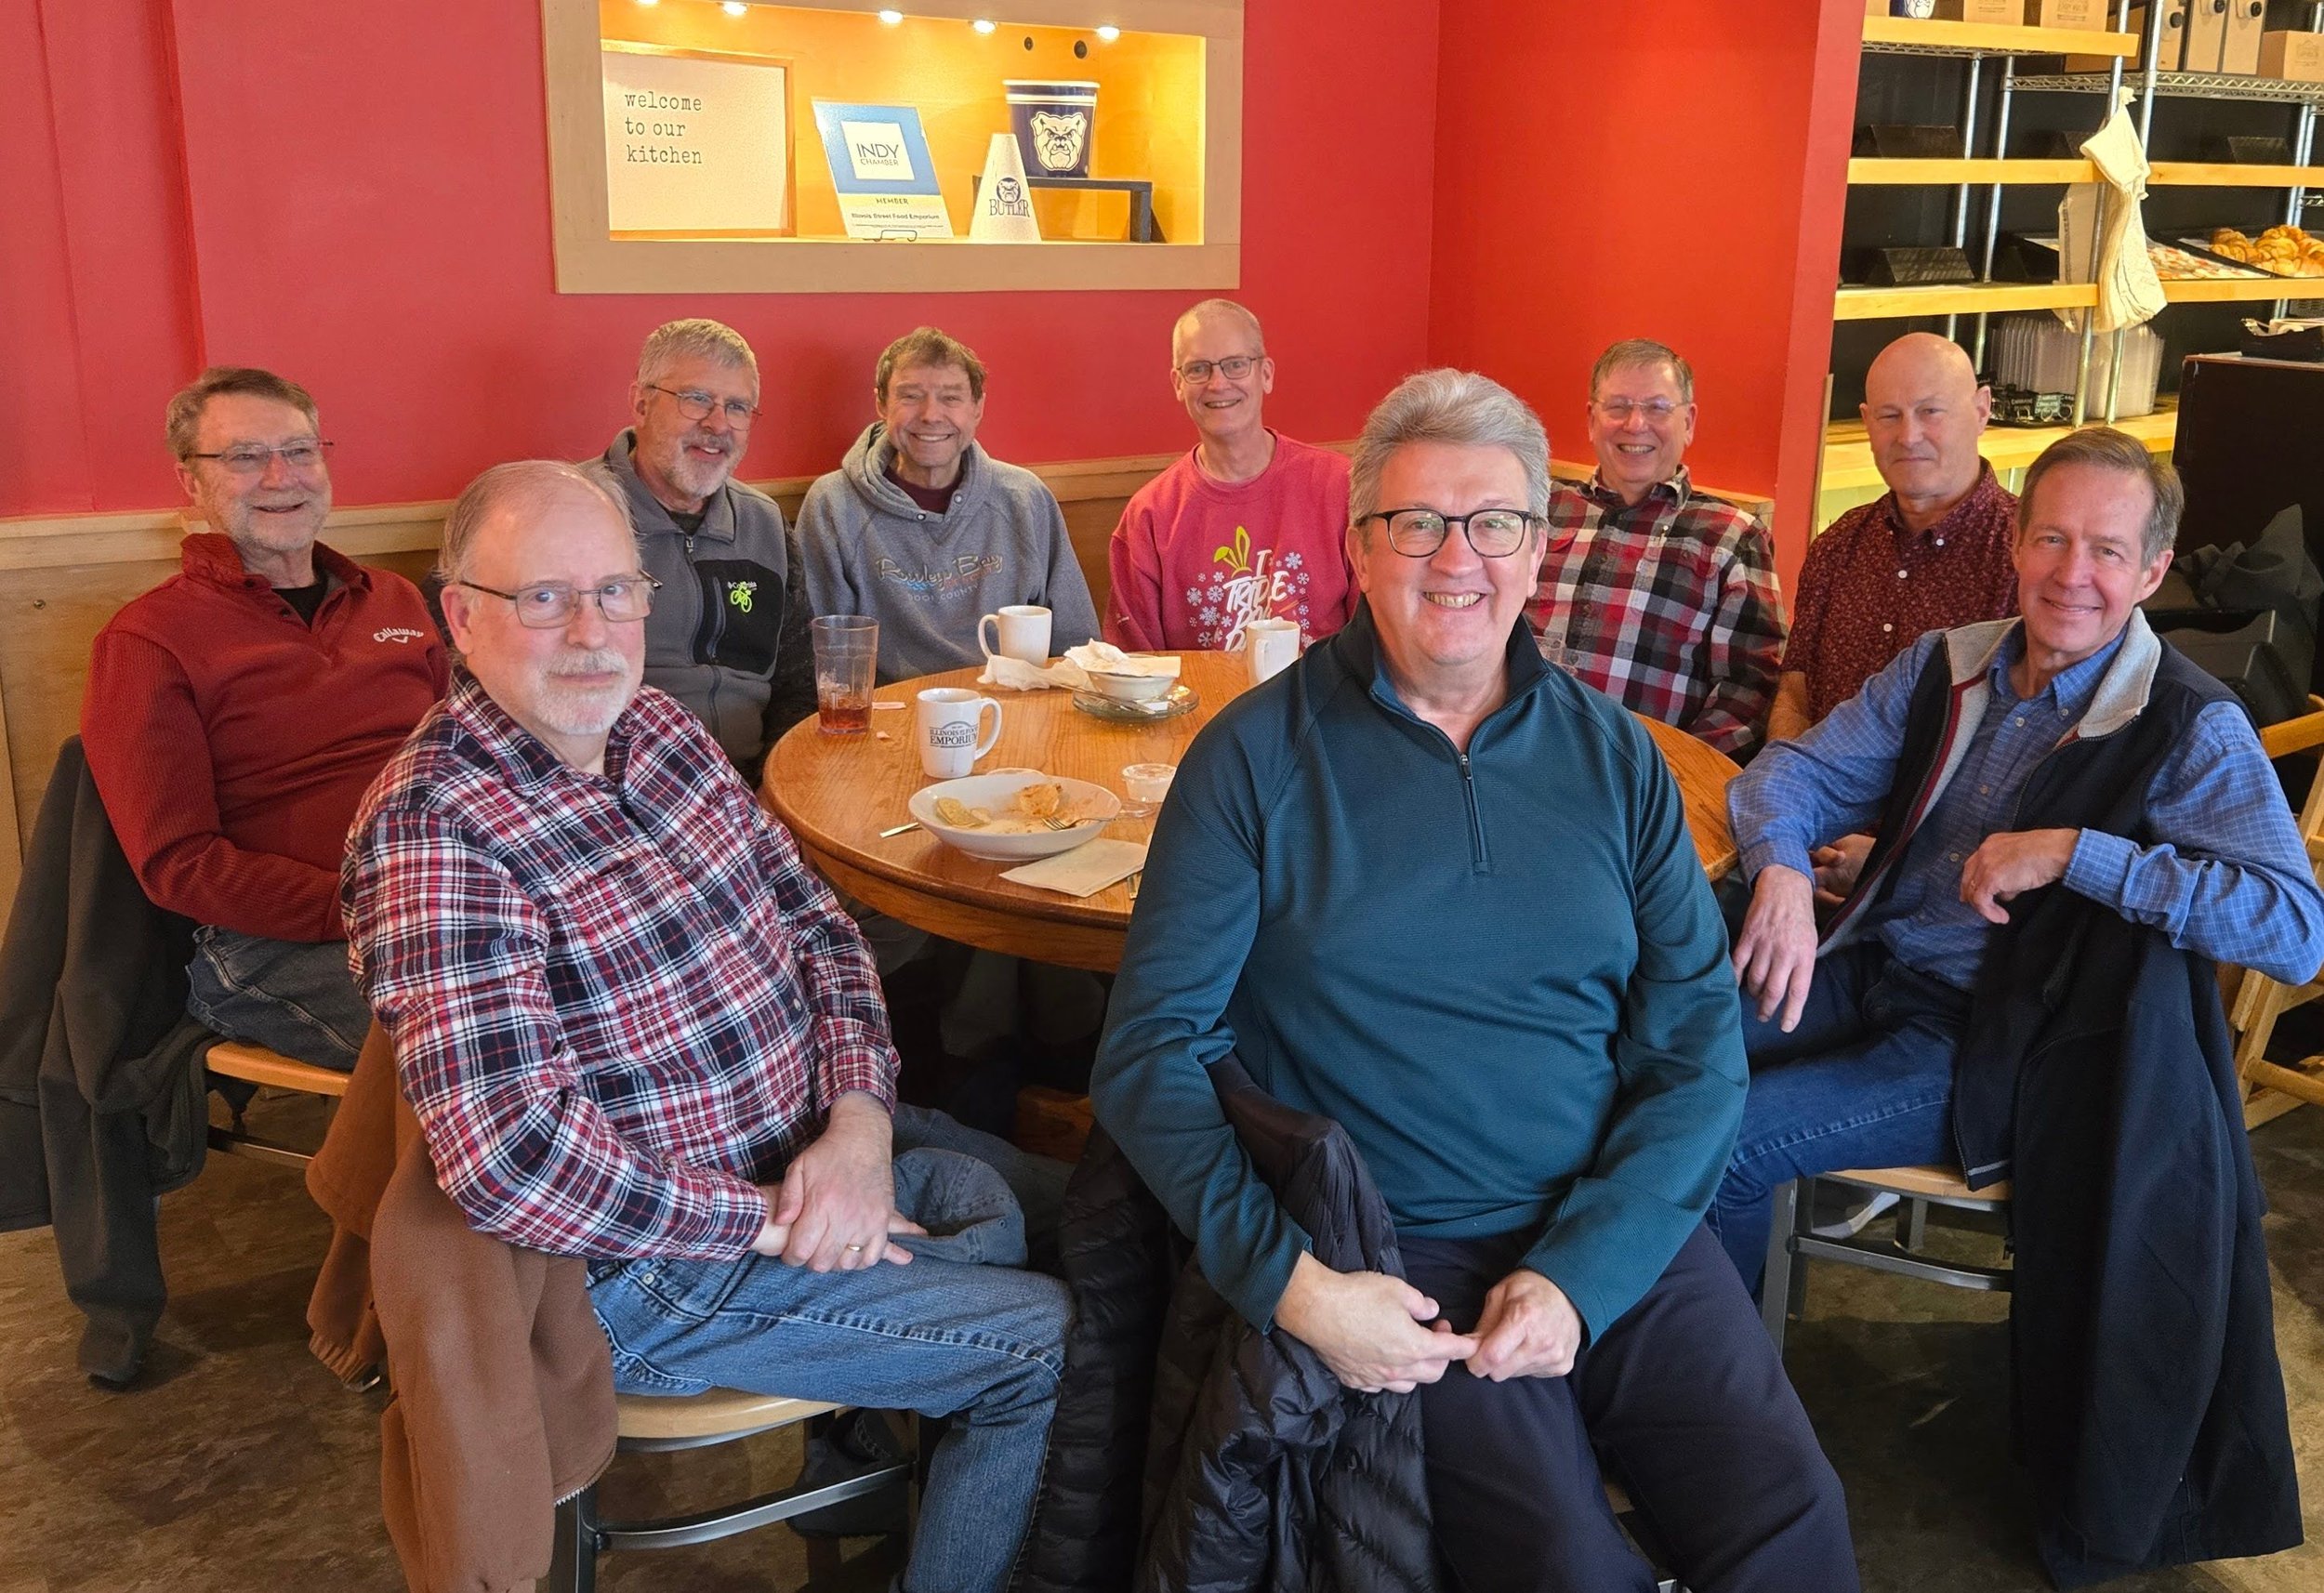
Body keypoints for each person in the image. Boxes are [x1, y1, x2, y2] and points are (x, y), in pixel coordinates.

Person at [1094, 369, 1857, 1592]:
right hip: (1402, 1253)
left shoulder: (1618, 759)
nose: (1459, 558)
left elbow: (1696, 1044)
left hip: (1618, 1222)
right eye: (1417, 523)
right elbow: (1147, 1051)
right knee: (1562, 1557)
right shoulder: (1252, 757)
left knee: (1790, 1518)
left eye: (1493, 521)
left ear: (1538, 547)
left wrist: (1584, 1268)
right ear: (1359, 543)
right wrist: (1296, 1288)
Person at [342, 460, 1070, 1593]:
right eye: (542, 597)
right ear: (462, 618)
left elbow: (821, 933)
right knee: (1051, 1348)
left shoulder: (662, 734)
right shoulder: (438, 829)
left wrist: (860, 1132)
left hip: (806, 1147)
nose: (590, 632)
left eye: (614, 592)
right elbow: (512, 1159)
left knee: (1101, 1215)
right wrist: (785, 1223)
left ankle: (884, 1455)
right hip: (645, 1268)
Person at [1718, 426, 2324, 1284]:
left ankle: (1707, 1405)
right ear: (2015, 542)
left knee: (1725, 1146)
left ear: (2152, 573)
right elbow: (1790, 771)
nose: (2072, 574)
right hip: (1867, 964)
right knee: (1649, 1066)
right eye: (2052, 538)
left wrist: (2078, 853)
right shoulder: (1950, 662)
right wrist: (1779, 869)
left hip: (1994, 1045)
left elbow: (2297, 930)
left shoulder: (2192, 726)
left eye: (2107, 550)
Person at [80, 366, 446, 1070]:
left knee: (622, 1002)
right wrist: (369, 907)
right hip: (268, 943)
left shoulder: (394, 600)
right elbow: (178, 864)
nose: (282, 475)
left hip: (438, 902)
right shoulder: (148, 641)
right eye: (246, 457)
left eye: (300, 451)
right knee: (477, 1047)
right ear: (191, 480)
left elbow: (459, 763)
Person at [1526, 338, 1784, 757]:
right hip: (1517, 759)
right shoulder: (1539, 510)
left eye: (1657, 408)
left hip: (1650, 783)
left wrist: (1670, 782)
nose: (1635, 424)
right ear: (1592, 420)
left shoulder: (1732, 535)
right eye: (1618, 406)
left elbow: (1749, 692)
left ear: (1689, 422)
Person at [798, 326, 1098, 682]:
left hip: (1017, 713)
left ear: (977, 408)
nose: (930, 415)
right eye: (910, 396)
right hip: (889, 720)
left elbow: (1077, 645)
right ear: (881, 403)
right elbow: (824, 665)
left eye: (951, 398)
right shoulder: (833, 506)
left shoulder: (1025, 498)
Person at [586, 318, 814, 782]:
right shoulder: (568, 513)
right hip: (614, 791)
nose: (717, 424)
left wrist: (776, 789)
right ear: (641, 403)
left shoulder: (765, 525)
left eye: (737, 407)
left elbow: (800, 684)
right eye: (696, 400)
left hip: (751, 783)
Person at [1767, 332, 2020, 743]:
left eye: (1930, 411)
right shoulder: (1838, 545)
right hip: (1818, 797)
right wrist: (1786, 786)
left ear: (1981, 410)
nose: (1908, 436)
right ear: (1867, 421)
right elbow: (1795, 698)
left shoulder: (2027, 554)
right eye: (1889, 416)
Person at [1103, 298, 1356, 652]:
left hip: (1320, 704)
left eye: (1236, 365)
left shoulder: (1340, 486)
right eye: (1198, 369)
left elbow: (1377, 640)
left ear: (1266, 374)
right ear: (1178, 383)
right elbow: (1139, 671)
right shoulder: (1149, 515)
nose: (1218, 383)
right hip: (1204, 706)